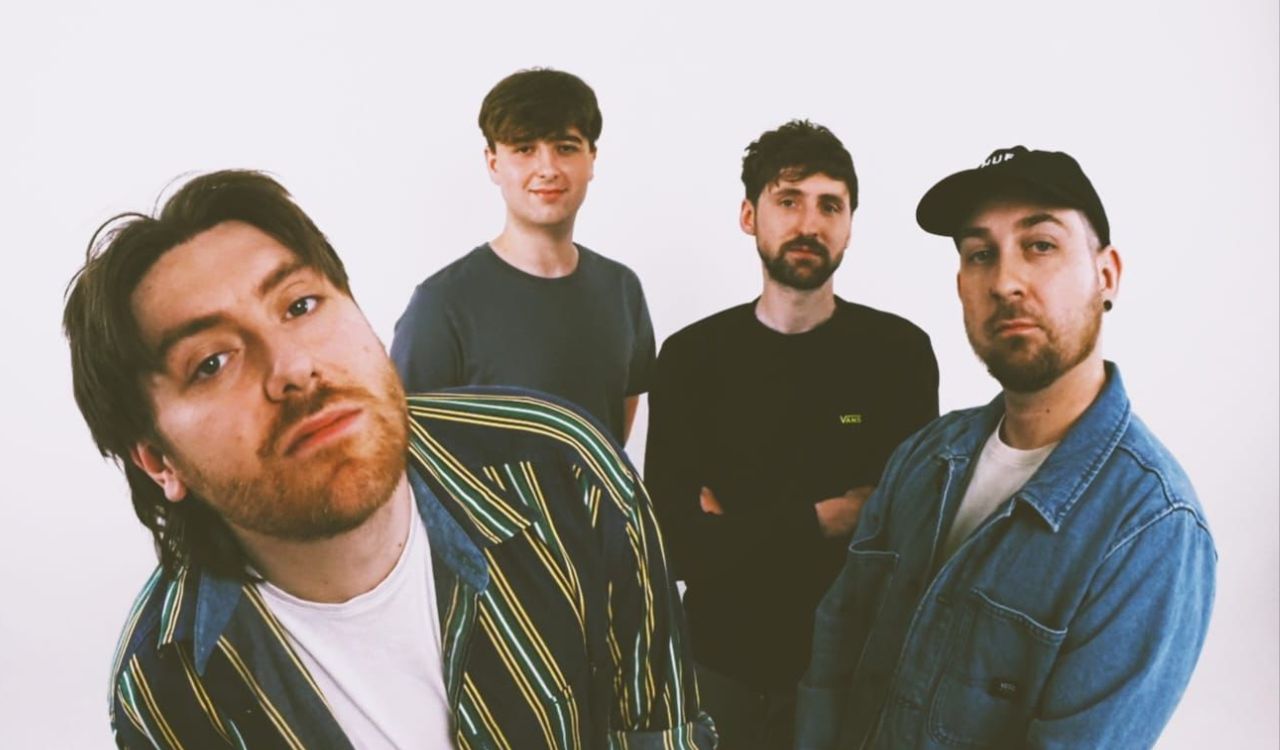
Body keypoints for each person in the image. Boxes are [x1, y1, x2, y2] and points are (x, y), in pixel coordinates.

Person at [64, 170, 714, 749]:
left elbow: (661, 733)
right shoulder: (165, 687)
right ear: (157, 462)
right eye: (210, 362)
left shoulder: (566, 471)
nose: (292, 367)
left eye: (300, 305)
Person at [796, 146, 1216, 749]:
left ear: (1106, 275)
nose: (1006, 281)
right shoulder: (924, 456)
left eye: (1039, 245)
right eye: (980, 254)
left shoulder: (1152, 529)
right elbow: (834, 652)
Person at [644, 120, 939, 749]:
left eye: (829, 205)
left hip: (855, 674)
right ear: (750, 216)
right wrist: (826, 518)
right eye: (788, 201)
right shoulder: (692, 357)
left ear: (851, 225)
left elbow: (906, 539)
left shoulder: (898, 355)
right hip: (722, 671)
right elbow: (673, 543)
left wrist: (735, 525)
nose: (810, 223)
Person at [390, 67, 654, 444]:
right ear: (493, 162)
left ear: (591, 158)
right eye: (524, 149)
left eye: (565, 148)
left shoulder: (621, 289)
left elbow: (614, 432)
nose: (547, 169)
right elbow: (407, 446)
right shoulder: (443, 303)